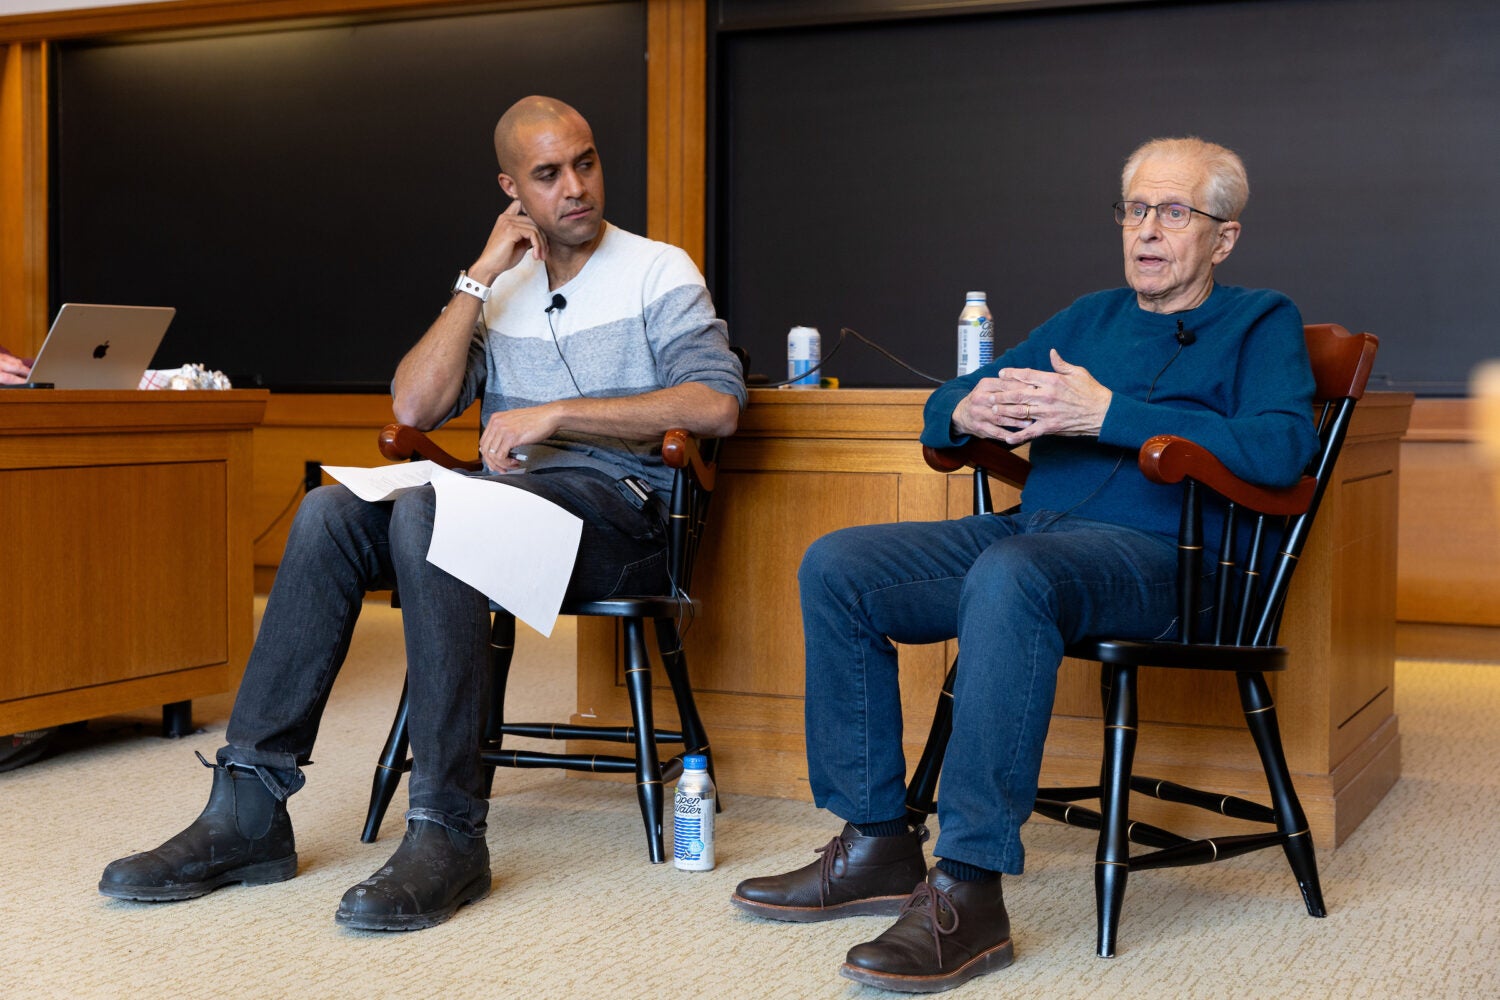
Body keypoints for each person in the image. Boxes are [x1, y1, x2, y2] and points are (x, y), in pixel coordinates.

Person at [99, 96, 746, 930]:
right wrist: (479, 277)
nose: (576, 188)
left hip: (621, 522)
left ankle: (448, 830)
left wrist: (557, 415)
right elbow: (414, 402)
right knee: (331, 514)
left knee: (432, 515)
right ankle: (249, 808)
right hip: (505, 506)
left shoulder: (660, 270)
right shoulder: (502, 284)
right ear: (512, 187)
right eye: (548, 175)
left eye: (585, 163)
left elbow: (717, 405)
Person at [731, 137, 1319, 992]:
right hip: (1036, 530)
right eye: (1135, 210)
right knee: (840, 565)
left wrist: (1110, 412)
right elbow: (953, 397)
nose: (1148, 231)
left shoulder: (1261, 319)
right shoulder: (1090, 316)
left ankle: (968, 890)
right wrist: (960, 406)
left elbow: (1282, 448)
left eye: (1174, 212)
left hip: (1168, 565)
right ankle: (877, 843)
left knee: (1012, 575)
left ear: (1222, 239)